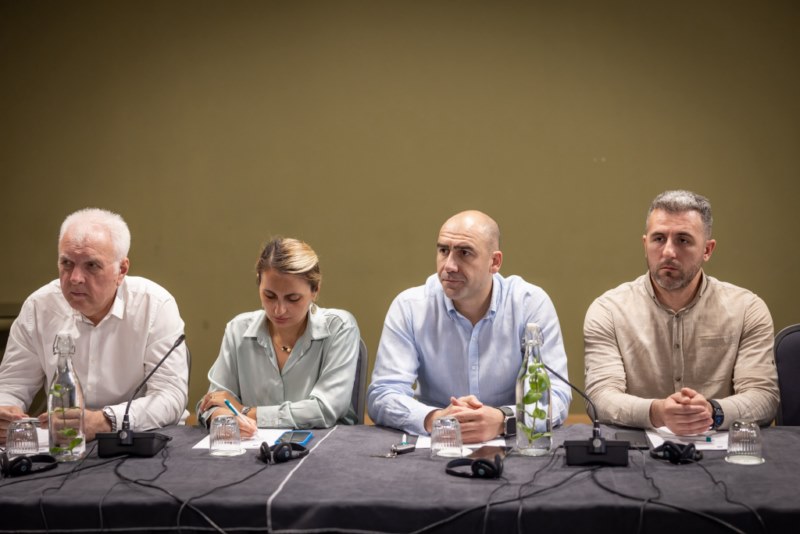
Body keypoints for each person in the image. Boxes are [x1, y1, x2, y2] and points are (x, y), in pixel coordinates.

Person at [584, 190, 779, 435]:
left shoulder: (747, 309)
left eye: (683, 240)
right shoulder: (609, 310)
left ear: (707, 250)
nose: (668, 251)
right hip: (637, 451)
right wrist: (657, 412)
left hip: (722, 448)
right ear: (645, 244)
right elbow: (600, 397)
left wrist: (712, 411)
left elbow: (763, 396)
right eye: (658, 239)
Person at [367, 210, 571, 444]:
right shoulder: (410, 307)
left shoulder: (530, 304)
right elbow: (383, 394)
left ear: (494, 262)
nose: (449, 265)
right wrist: (435, 418)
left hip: (511, 444)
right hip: (438, 445)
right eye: (443, 251)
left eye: (464, 253)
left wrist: (503, 419)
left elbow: (557, 395)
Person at [0, 208, 189, 445]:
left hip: (141, 444)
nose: (75, 278)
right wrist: (6, 412)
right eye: (67, 263)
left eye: (91, 265)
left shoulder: (155, 306)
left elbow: (170, 396)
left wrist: (104, 421)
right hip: (64, 446)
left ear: (121, 270)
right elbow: (12, 386)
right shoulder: (39, 307)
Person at [197, 237, 360, 436]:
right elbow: (214, 401)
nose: (279, 310)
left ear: (315, 290)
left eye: (293, 298)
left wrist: (245, 412)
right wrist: (223, 416)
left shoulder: (340, 327)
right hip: (253, 447)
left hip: (326, 445)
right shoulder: (237, 330)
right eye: (269, 296)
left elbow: (325, 410)